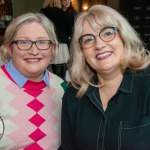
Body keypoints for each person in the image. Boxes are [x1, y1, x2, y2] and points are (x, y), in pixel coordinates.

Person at [60, 4, 150, 150]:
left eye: (108, 33)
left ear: (123, 37)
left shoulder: (146, 85)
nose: (99, 45)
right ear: (81, 51)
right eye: (88, 39)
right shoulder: (73, 95)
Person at [0, 12, 67, 150]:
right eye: (24, 42)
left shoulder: (63, 88)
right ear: (9, 48)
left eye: (42, 42)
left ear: (53, 49)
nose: (34, 51)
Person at [40, 0, 70, 80]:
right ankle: (62, 90)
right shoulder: (64, 13)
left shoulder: (44, 12)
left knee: (43, 71)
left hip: (48, 44)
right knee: (61, 75)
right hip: (62, 45)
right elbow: (69, 31)